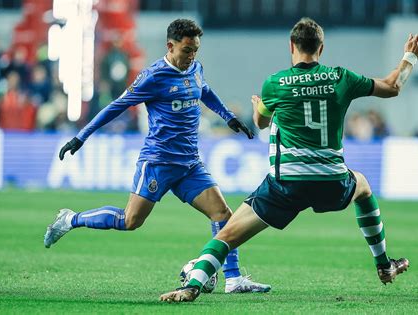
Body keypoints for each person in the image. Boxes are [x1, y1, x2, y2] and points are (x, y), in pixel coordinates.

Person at [159, 17, 418, 302]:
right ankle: (384, 264)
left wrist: (257, 108)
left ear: (291, 45)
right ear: (321, 48)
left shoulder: (276, 84)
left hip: (286, 185)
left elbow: (261, 123)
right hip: (332, 182)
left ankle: (191, 285)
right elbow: (391, 86)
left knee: (226, 236)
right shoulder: (341, 77)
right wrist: (410, 56)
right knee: (362, 186)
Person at [44, 19, 271, 294]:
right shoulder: (154, 76)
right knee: (130, 221)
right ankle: (71, 219)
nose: (192, 56)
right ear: (170, 46)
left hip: (189, 164)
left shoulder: (196, 67)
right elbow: (116, 107)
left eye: (196, 50)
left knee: (223, 213)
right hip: (158, 162)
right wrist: (81, 136)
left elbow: (205, 91)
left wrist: (229, 118)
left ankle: (233, 280)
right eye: (187, 50)